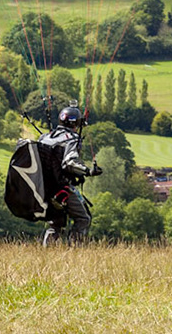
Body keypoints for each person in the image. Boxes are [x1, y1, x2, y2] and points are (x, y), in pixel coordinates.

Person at [39, 104, 99, 245]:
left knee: (56, 222)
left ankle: (46, 251)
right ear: (76, 123)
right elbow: (69, 163)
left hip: (43, 188)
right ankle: (75, 250)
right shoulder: (71, 138)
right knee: (83, 218)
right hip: (61, 188)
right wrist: (88, 171)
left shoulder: (45, 137)